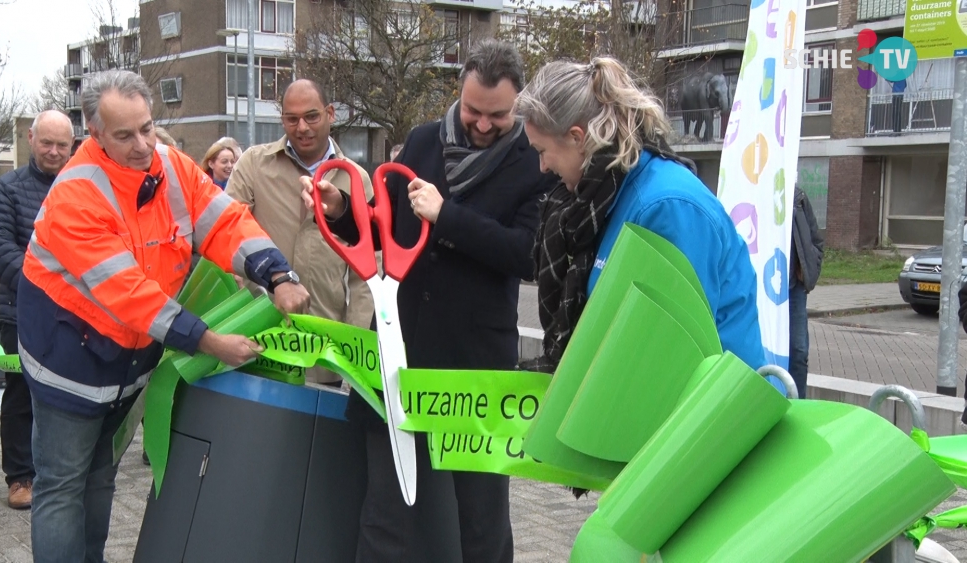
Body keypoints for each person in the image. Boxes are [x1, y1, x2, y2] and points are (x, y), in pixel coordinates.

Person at [18, 70, 311, 563]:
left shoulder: (171, 167)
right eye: (125, 135)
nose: (142, 145)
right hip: (67, 363)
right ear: (94, 134)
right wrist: (207, 341)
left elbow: (224, 221)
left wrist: (278, 274)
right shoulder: (76, 194)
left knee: (100, 479)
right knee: (62, 487)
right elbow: (130, 294)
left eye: (148, 128)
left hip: (126, 361)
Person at [301, 39, 556, 562]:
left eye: (498, 116)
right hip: (400, 354)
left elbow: (529, 255)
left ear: (520, 105)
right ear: (458, 93)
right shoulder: (421, 142)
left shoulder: (536, 161)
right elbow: (383, 229)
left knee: (482, 521)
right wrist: (343, 210)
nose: (482, 125)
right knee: (387, 514)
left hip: (475, 368)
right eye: (472, 111)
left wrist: (450, 217)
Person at [513, 57, 765, 375]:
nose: (542, 167)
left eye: (541, 151)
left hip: (715, 413)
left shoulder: (666, 208)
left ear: (577, 138)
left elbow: (674, 351)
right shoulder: (604, 199)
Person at [226, 78, 375, 386]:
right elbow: (223, 233)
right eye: (291, 119)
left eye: (311, 116)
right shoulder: (254, 165)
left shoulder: (356, 179)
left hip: (324, 351)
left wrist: (353, 346)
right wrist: (246, 307)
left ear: (331, 114)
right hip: (261, 343)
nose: (302, 127)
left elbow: (366, 273)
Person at [0, 110, 74, 510]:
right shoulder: (7, 189)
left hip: (75, 316)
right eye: (47, 143)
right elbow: (0, 250)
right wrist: (51, 289)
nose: (54, 152)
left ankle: (59, 471)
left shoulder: (83, 188)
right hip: (21, 313)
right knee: (21, 394)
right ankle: (20, 477)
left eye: (62, 145)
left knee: (67, 396)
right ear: (31, 138)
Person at [789, 186, 824, 399]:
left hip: (794, 289)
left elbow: (816, 241)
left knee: (799, 352)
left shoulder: (798, 197)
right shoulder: (751, 190)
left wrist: (809, 271)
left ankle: (798, 407)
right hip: (762, 288)